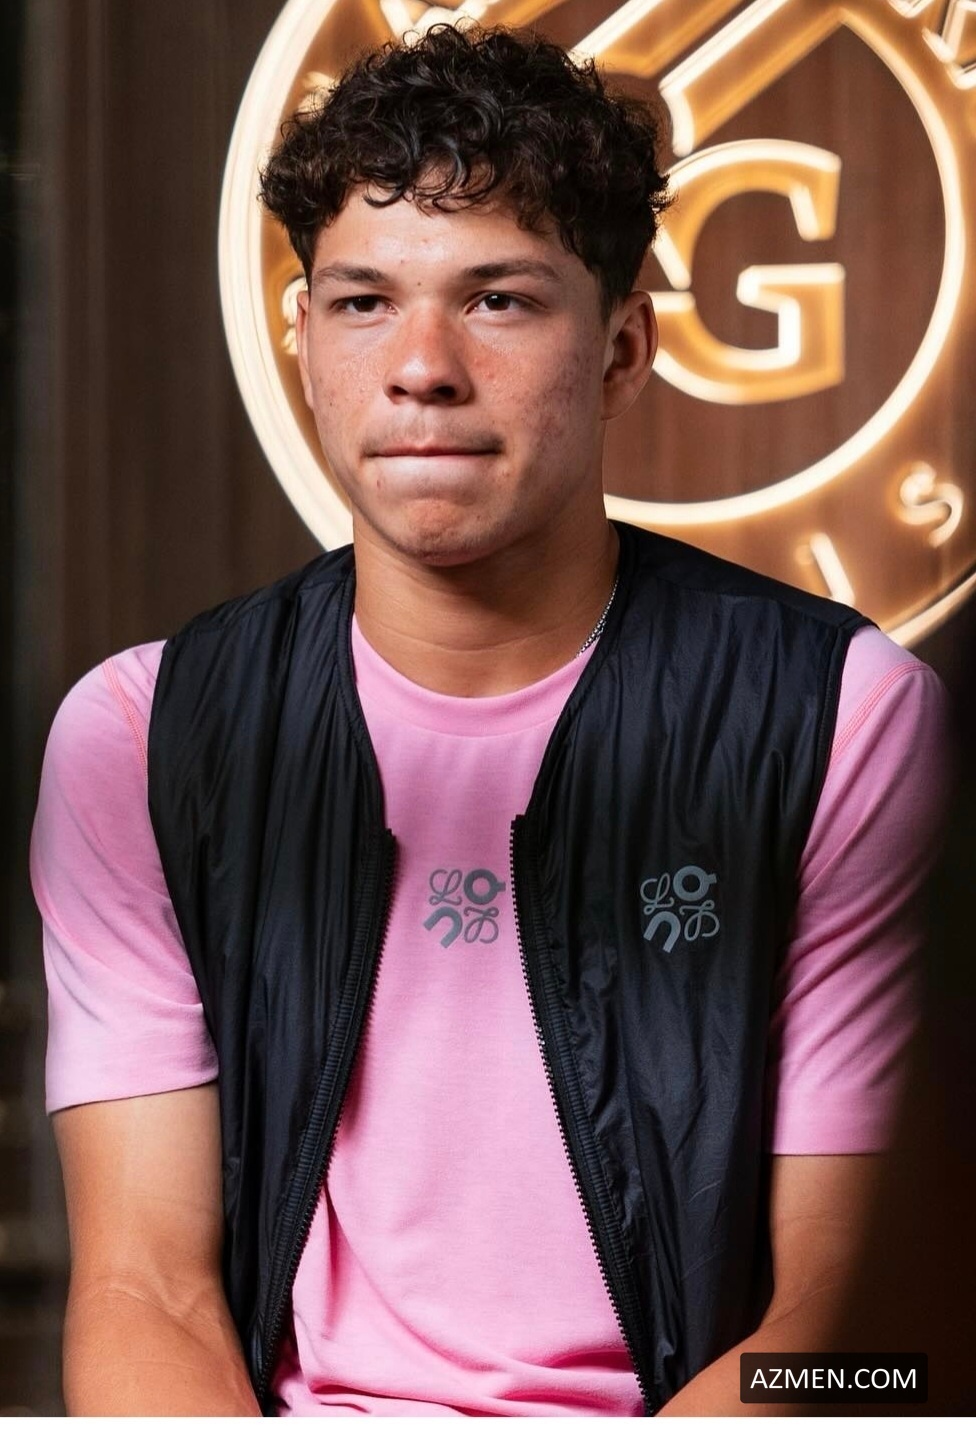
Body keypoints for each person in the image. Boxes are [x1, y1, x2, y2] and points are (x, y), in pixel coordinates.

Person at [31, 23, 949, 1417]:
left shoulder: (843, 720)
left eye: (500, 300)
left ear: (623, 349)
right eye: (363, 302)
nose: (423, 367)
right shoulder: (143, 734)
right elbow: (142, 1289)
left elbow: (858, 1333)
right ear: (301, 341)